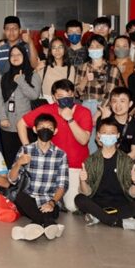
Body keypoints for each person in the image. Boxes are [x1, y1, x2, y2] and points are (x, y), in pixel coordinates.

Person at [18, 79, 93, 212]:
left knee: (72, 207)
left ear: (74, 95)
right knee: (35, 201)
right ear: (53, 98)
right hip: (51, 165)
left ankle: (61, 201)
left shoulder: (84, 112)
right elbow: (21, 123)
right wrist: (28, 149)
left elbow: (84, 140)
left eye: (69, 96)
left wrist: (70, 119)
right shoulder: (47, 110)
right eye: (61, 96)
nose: (66, 99)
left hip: (74, 166)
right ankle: (56, 201)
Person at [75, 119, 135, 231]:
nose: (108, 136)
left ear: (118, 135)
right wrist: (82, 181)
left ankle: (99, 216)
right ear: (98, 135)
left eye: (112, 133)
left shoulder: (127, 160)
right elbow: (86, 192)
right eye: (105, 133)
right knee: (79, 199)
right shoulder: (91, 160)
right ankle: (117, 221)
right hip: (98, 202)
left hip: (121, 203)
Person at [8, 114, 68, 241]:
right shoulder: (25, 150)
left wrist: (52, 202)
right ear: (35, 129)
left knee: (50, 210)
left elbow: (62, 185)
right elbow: (12, 179)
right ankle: (50, 224)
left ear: (55, 131)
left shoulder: (61, 154)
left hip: (50, 201)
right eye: (41, 127)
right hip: (28, 201)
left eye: (49, 128)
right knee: (20, 196)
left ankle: (31, 228)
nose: (45, 130)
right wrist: (18, 163)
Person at [0, 44, 42, 165]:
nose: (15, 57)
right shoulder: (4, 77)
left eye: (18, 54)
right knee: (10, 160)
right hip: (7, 125)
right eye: (12, 55)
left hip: (27, 125)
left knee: (27, 159)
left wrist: (21, 81)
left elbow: (34, 95)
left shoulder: (33, 75)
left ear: (25, 56)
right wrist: (3, 117)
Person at [76, 35, 123, 151]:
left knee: (104, 138)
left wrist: (98, 113)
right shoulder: (82, 67)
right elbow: (77, 92)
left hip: (103, 107)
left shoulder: (112, 68)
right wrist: (86, 79)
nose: (94, 49)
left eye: (98, 46)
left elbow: (111, 93)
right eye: (91, 46)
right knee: (86, 141)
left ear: (104, 48)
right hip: (85, 105)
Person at [100, 86, 135, 160]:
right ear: (110, 104)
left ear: (130, 104)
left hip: (126, 162)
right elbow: (99, 143)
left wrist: (116, 163)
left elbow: (134, 154)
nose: (118, 105)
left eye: (122, 101)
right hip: (105, 160)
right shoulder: (104, 119)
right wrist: (104, 122)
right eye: (114, 101)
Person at [38, 36, 77, 102]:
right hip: (45, 101)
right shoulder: (44, 65)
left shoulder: (70, 68)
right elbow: (34, 83)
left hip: (62, 101)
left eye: (60, 47)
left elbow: (70, 89)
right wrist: (36, 69)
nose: (57, 50)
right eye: (54, 48)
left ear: (64, 49)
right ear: (50, 50)